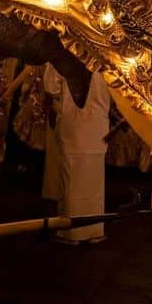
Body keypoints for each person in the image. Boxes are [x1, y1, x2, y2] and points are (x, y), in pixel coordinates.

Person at [42, 65, 111, 244]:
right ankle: (94, 230)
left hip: (73, 124)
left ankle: (71, 233)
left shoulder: (63, 54)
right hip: (97, 125)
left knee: (71, 180)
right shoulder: (105, 56)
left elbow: (50, 86)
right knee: (94, 181)